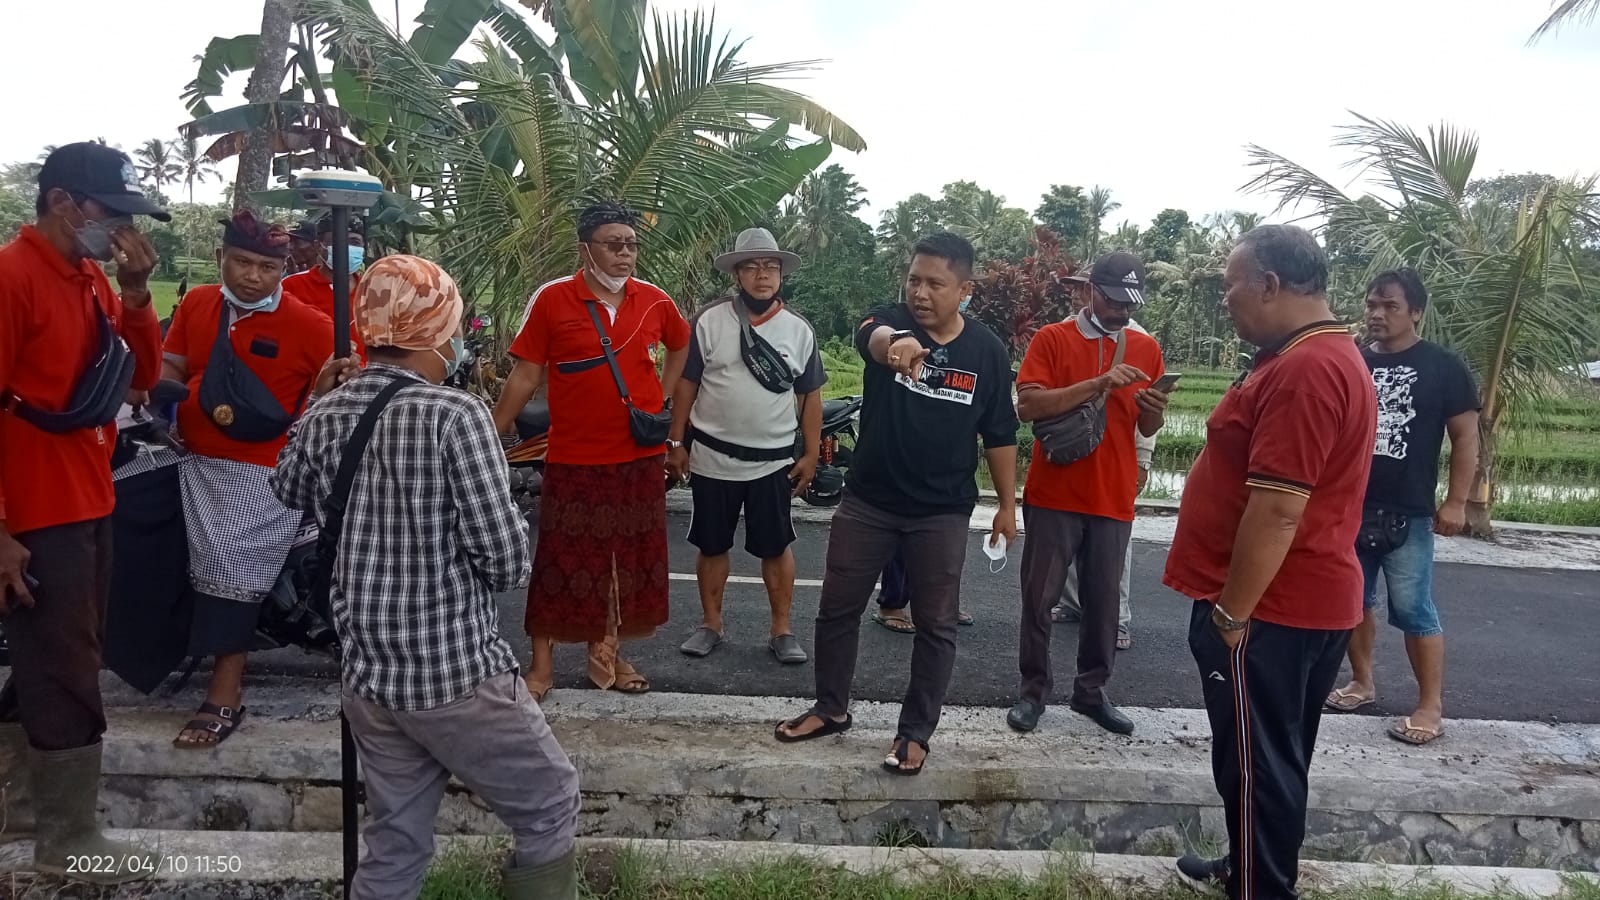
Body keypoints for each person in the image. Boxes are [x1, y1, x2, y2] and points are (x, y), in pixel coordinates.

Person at [273, 255, 579, 900]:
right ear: (438, 330)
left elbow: (289, 491)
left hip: (367, 675)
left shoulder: (327, 412)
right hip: (453, 671)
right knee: (550, 803)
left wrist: (318, 401)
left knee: (396, 839)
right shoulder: (455, 414)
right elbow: (504, 561)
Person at [1162, 225, 1376, 897]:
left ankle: (1260, 888)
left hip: (1270, 609)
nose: (1224, 298)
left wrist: (1231, 613)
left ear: (1270, 285)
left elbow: (1280, 509)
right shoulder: (1313, 356)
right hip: (1294, 602)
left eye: (1230, 285)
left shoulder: (1305, 372)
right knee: (1271, 759)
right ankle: (1248, 867)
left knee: (1257, 767)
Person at [775, 232, 1018, 776]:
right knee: (837, 609)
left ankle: (915, 733)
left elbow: (1001, 434)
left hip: (943, 511)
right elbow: (875, 335)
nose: (920, 293)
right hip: (870, 502)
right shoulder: (889, 319)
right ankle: (831, 709)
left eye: (935, 284)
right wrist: (897, 344)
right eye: (914, 280)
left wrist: (1007, 504)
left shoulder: (987, 352)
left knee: (936, 624)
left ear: (965, 290)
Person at [0, 141, 167, 882]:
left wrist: (137, 296)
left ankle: (23, 811)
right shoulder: (12, 277)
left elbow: (140, 379)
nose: (123, 227)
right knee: (63, 666)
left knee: (61, 655)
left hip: (89, 492)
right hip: (35, 508)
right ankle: (67, 841)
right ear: (63, 202)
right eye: (111, 211)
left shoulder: (93, 278)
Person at [493, 201, 689, 701]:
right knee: (559, 562)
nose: (625, 253)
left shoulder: (655, 300)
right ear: (585, 249)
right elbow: (526, 373)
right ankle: (541, 666)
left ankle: (610, 656)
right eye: (613, 243)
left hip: (638, 458)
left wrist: (662, 399)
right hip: (575, 458)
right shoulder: (553, 298)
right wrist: (493, 433)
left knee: (626, 565)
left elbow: (681, 346)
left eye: (631, 244)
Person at [162, 211, 344, 748]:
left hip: (266, 473)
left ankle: (225, 690)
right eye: (242, 262)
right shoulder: (197, 304)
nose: (253, 276)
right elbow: (173, 369)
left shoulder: (312, 324)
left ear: (284, 268)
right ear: (221, 257)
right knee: (125, 517)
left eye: (268, 267)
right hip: (191, 460)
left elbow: (341, 387)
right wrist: (164, 408)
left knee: (232, 560)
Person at [1006, 252, 1167, 737]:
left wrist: (1155, 407)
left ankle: (1091, 692)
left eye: (1130, 303)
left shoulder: (1147, 348)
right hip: (1055, 492)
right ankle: (1033, 692)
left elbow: (1147, 426)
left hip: (1113, 495)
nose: (1122, 311)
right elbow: (1028, 406)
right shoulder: (1053, 339)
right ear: (1091, 291)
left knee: (1104, 604)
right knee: (1040, 599)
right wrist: (1098, 383)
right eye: (1114, 300)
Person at [1324, 269, 1479, 746]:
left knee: (1414, 609)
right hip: (1350, 505)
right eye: (1372, 304)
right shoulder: (1353, 358)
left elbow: (1465, 437)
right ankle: (1362, 682)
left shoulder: (1443, 366)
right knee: (1353, 601)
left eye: (1390, 306)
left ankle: (1430, 706)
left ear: (1415, 312)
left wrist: (1456, 501)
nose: (1377, 314)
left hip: (1409, 511)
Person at [667, 228, 823, 665]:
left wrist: (811, 454)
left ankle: (782, 630)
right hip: (711, 458)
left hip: (773, 463)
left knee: (776, 546)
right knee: (711, 545)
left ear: (781, 274)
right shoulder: (708, 321)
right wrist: (676, 441)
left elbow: (810, 395)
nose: (762, 274)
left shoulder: (799, 330)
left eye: (770, 266)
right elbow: (686, 384)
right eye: (751, 266)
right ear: (736, 274)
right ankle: (710, 624)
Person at [1052, 273, 1157, 650]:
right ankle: (1072, 604)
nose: (1075, 294)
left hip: (1115, 462)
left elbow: (1149, 408)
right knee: (1067, 539)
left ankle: (1118, 619)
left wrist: (1143, 460)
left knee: (1113, 552)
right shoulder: (1062, 333)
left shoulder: (1139, 340)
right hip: (1073, 454)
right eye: (1075, 287)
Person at [282, 215, 368, 363]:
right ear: (318, 246)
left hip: (364, 375)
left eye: (355, 242)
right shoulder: (292, 286)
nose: (346, 248)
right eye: (336, 241)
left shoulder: (373, 290)